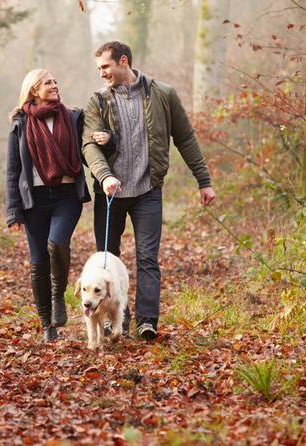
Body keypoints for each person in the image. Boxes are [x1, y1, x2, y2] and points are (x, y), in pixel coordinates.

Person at [82, 41, 216, 341]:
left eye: (106, 67)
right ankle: (112, 321)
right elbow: (89, 145)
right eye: (99, 69)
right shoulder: (98, 101)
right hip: (110, 193)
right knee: (107, 260)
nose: (102, 74)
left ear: (123, 61)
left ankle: (146, 321)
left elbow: (186, 138)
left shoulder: (163, 94)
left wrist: (203, 181)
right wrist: (104, 176)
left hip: (147, 191)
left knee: (147, 258)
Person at [5, 68, 91, 342]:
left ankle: (58, 297)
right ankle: (47, 325)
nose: (55, 86)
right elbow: (12, 170)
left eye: (55, 81)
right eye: (48, 83)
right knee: (39, 262)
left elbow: (91, 149)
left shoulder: (73, 118)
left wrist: (107, 142)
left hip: (67, 195)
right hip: (35, 201)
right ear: (33, 90)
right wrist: (13, 211)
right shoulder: (20, 124)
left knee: (57, 243)